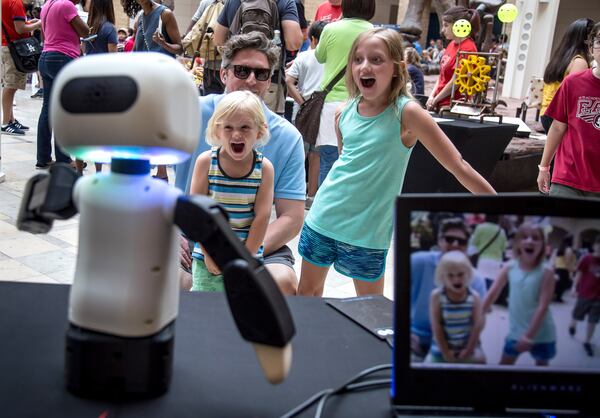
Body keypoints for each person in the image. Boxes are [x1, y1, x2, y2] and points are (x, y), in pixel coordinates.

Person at [297, 28, 495, 298]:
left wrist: (502, 208)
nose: (365, 66)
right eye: (358, 59)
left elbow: (457, 165)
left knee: (370, 310)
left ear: (396, 68)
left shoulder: (408, 113)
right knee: (308, 296)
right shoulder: (344, 111)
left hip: (368, 233)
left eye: (376, 59)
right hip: (323, 217)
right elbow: (346, 166)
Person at [175, 32, 306, 295]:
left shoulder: (288, 137)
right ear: (224, 74)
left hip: (254, 243)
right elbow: (144, 172)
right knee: (167, 279)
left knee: (282, 282)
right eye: (242, 70)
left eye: (261, 74)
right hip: (192, 239)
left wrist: (239, 255)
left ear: (269, 80)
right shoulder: (190, 112)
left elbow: (291, 217)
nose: (251, 80)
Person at [189, 90, 274, 292]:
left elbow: (262, 217)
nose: (237, 134)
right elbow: (197, 214)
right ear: (217, 131)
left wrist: (245, 259)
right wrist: (210, 256)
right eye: (228, 127)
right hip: (208, 259)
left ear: (259, 131)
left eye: (245, 127)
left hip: (248, 257)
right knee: (208, 311)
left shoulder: (264, 169)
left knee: (245, 312)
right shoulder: (206, 162)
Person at [313, 0, 374, 186]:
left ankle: (324, 207)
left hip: (331, 102)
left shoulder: (331, 29)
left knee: (328, 160)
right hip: (361, 103)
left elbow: (319, 56)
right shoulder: (372, 32)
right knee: (353, 162)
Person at [537, 22, 600, 199]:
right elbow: (558, 127)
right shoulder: (573, 82)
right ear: (591, 47)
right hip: (567, 177)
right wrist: (544, 167)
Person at [411, 217, 488, 361]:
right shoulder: (417, 262)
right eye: (449, 239)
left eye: (461, 241)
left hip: (459, 343)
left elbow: (477, 322)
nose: (455, 244)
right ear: (439, 241)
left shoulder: (476, 279)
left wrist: (468, 348)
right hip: (417, 337)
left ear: (467, 246)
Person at [483, 223, 556, 366]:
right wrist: (479, 313)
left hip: (542, 334)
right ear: (517, 243)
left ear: (542, 245)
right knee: (504, 364)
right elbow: (493, 292)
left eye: (535, 238)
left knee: (542, 367)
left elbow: (543, 306)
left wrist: (529, 336)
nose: (529, 241)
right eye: (524, 237)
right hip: (516, 332)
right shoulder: (509, 266)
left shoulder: (547, 271)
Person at [213, 0, 303, 115]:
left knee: (232, 119)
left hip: (236, 77)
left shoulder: (234, 2)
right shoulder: (284, 2)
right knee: (266, 127)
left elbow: (218, 39)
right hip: (266, 82)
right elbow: (294, 43)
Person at [127, 0, 182, 181]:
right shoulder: (140, 18)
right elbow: (136, 50)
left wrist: (163, 43)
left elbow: (179, 47)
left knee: (160, 125)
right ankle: (148, 168)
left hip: (163, 77)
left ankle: (162, 171)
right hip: (145, 78)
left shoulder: (165, 14)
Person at [36, 0, 90, 169]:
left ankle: (43, 157)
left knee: (47, 108)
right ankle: (63, 158)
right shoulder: (67, 5)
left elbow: (45, 35)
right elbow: (85, 31)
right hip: (63, 58)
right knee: (63, 109)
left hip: (46, 57)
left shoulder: (47, 5)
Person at [285, 19, 327, 204]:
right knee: (316, 155)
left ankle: (294, 194)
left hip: (301, 113)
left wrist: (302, 102)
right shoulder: (331, 60)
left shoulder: (303, 56)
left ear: (312, 39)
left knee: (298, 154)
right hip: (322, 112)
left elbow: (288, 81)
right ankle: (311, 196)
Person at [75, 0, 117, 175]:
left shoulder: (87, 27)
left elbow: (83, 51)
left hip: (86, 80)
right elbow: (113, 59)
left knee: (83, 129)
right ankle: (99, 171)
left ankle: (78, 170)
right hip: (103, 84)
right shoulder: (109, 28)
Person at [429, 250, 486, 364]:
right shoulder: (437, 296)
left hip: (466, 347)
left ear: (468, 274)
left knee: (482, 361)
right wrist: (446, 352)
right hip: (441, 349)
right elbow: (437, 326)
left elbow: (476, 326)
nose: (456, 279)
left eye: (460, 274)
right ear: (442, 277)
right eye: (450, 275)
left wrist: (468, 350)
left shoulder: (474, 297)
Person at [540, 18, 594, 134]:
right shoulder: (579, 62)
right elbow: (576, 97)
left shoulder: (560, 57)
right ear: (587, 39)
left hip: (547, 113)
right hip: (559, 118)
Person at [426, 6, 479, 111]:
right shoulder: (451, 44)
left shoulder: (468, 48)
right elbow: (442, 76)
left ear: (458, 25)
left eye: (446, 25)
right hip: (439, 102)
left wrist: (435, 99)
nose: (442, 30)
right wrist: (432, 96)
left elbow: (456, 81)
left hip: (452, 107)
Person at [1, 0, 41, 136]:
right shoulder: (16, 3)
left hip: (8, 45)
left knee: (11, 85)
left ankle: (11, 119)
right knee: (10, 86)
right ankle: (6, 123)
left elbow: (16, 24)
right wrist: (38, 24)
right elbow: (20, 28)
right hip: (13, 46)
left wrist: (30, 23)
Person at [568, 235, 600, 357]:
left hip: (598, 298)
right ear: (595, 246)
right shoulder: (586, 259)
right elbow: (579, 274)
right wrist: (573, 288)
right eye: (599, 244)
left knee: (593, 321)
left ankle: (587, 342)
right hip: (584, 294)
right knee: (577, 314)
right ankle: (573, 325)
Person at [553, 235, 577, 302]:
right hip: (564, 269)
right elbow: (567, 261)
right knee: (563, 284)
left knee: (558, 284)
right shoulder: (568, 249)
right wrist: (570, 270)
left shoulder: (560, 248)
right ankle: (558, 297)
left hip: (558, 268)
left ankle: (557, 297)